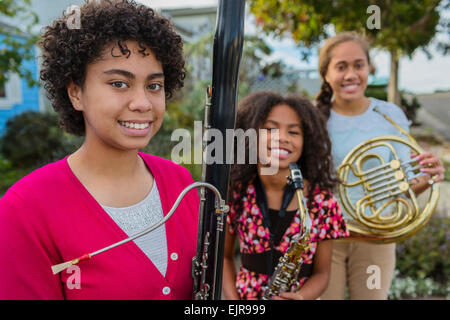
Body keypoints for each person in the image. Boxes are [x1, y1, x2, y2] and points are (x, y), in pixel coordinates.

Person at [0, 0, 199, 300]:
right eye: (119, 83)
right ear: (76, 92)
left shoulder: (182, 183)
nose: (143, 103)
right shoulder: (25, 210)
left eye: (154, 86)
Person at [316, 32, 445, 300]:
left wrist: (430, 177)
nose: (351, 74)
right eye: (341, 67)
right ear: (326, 74)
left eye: (358, 65)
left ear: (369, 69)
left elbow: (407, 185)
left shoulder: (389, 114)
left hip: (377, 237)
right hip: (326, 239)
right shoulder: (314, 118)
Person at [222, 90, 349, 300]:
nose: (282, 138)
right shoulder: (237, 193)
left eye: (294, 132)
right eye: (270, 129)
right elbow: (225, 258)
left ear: (307, 141)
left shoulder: (323, 203)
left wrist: (300, 297)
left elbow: (322, 273)